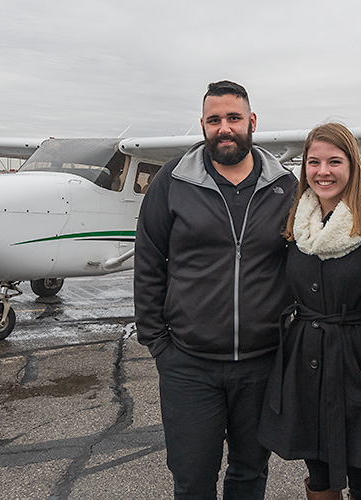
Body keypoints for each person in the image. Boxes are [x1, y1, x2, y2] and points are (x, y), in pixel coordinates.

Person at [133, 80, 297, 500]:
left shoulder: (286, 186)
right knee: (192, 479)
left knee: (249, 473)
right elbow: (149, 261)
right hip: (189, 365)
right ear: (203, 125)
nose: (224, 128)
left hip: (262, 364)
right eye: (214, 120)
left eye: (234, 118)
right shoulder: (173, 179)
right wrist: (158, 343)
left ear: (252, 122)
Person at [258, 123, 361, 500]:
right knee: (318, 472)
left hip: (358, 362)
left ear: (352, 166)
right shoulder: (297, 223)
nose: (323, 171)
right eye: (313, 162)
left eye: (334, 161)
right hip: (306, 361)